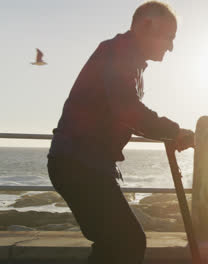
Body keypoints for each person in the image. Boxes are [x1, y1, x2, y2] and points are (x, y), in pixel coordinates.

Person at [47, 2, 194, 263]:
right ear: (146, 26)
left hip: (84, 162)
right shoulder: (119, 54)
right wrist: (173, 131)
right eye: (169, 37)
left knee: (113, 244)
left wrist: (169, 134)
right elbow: (127, 109)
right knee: (127, 241)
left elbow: (125, 114)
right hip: (78, 162)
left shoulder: (129, 61)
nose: (171, 46)